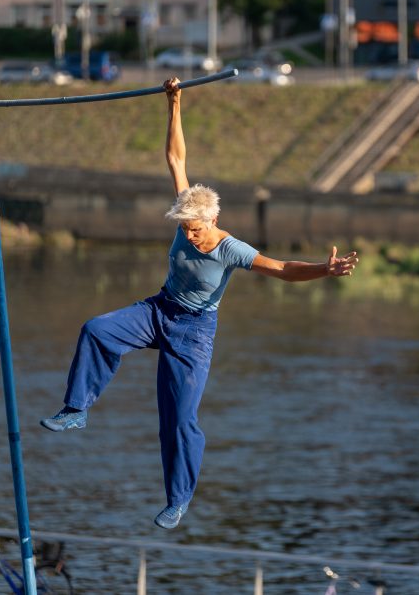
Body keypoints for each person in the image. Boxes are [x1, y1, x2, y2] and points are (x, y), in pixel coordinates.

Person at [40, 77, 359, 529]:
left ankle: (178, 500)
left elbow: (283, 269)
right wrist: (174, 101)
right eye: (184, 227)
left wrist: (324, 270)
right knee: (96, 329)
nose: (188, 235)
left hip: (194, 332)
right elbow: (175, 157)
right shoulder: (187, 209)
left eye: (195, 229)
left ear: (213, 218)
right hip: (159, 310)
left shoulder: (231, 247)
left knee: (179, 419)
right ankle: (76, 409)